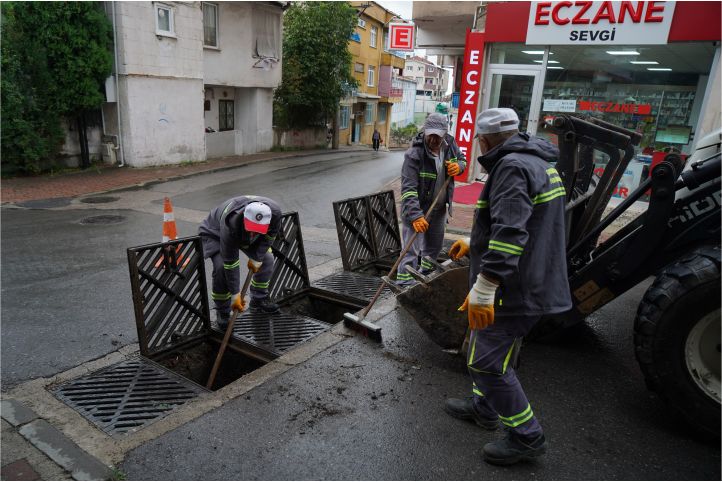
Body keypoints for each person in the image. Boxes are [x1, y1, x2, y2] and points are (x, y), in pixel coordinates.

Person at [445, 108, 571, 465]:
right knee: (487, 346)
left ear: (484, 140)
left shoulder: (512, 167)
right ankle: (483, 406)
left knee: (485, 362)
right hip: (531, 276)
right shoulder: (537, 161)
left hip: (515, 287)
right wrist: (476, 244)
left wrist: (486, 285)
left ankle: (526, 435)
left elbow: (512, 231)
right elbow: (525, 221)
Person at [397, 113, 466, 286]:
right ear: (425, 132)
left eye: (438, 135)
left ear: (445, 133)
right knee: (410, 250)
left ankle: (425, 274)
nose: (434, 139)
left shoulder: (450, 145)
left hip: (440, 207)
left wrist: (459, 167)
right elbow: (408, 190)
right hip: (417, 210)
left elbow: (462, 159)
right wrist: (415, 216)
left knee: (434, 246)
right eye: (431, 135)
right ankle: (404, 283)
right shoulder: (414, 154)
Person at [198, 196, 283, 329]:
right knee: (221, 267)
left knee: (267, 259)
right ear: (244, 217)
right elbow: (230, 263)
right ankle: (223, 311)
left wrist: (258, 257)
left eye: (257, 229)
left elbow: (268, 237)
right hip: (215, 231)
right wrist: (235, 294)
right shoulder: (231, 222)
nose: (254, 232)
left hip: (243, 234)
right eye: (252, 228)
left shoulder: (275, 213)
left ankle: (259, 299)